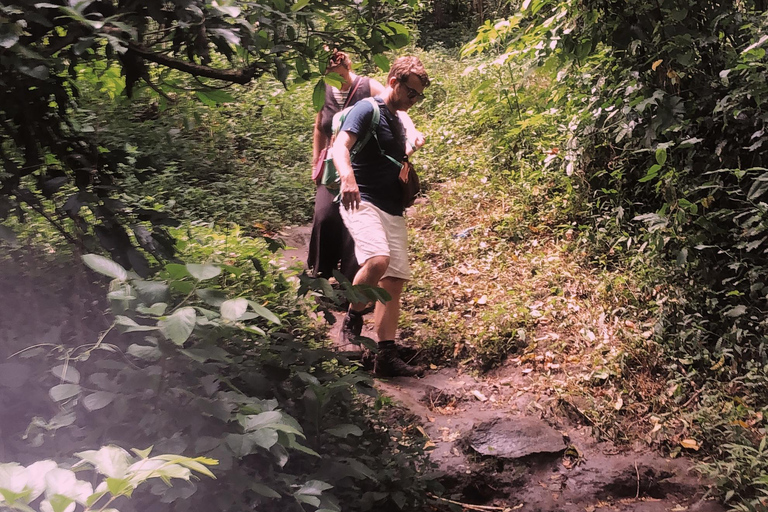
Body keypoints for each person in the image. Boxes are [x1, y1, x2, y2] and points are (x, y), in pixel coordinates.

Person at [332, 56, 430, 377]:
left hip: (392, 206)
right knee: (378, 261)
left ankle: (385, 354)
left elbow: (393, 153)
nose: (414, 100)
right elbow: (341, 147)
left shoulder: (398, 118)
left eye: (419, 96)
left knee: (395, 280)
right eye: (412, 93)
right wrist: (347, 178)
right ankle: (352, 322)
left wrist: (411, 146)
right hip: (363, 199)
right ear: (394, 83)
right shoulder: (367, 109)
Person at [308, 51, 423, 283]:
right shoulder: (324, 91)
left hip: (363, 164)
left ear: (347, 68)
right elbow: (320, 127)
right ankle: (320, 276)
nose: (336, 80)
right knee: (324, 218)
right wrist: (316, 163)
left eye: (339, 75)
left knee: (355, 229)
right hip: (334, 164)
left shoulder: (367, 87)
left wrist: (411, 134)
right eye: (330, 76)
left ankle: (351, 284)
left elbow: (398, 111)